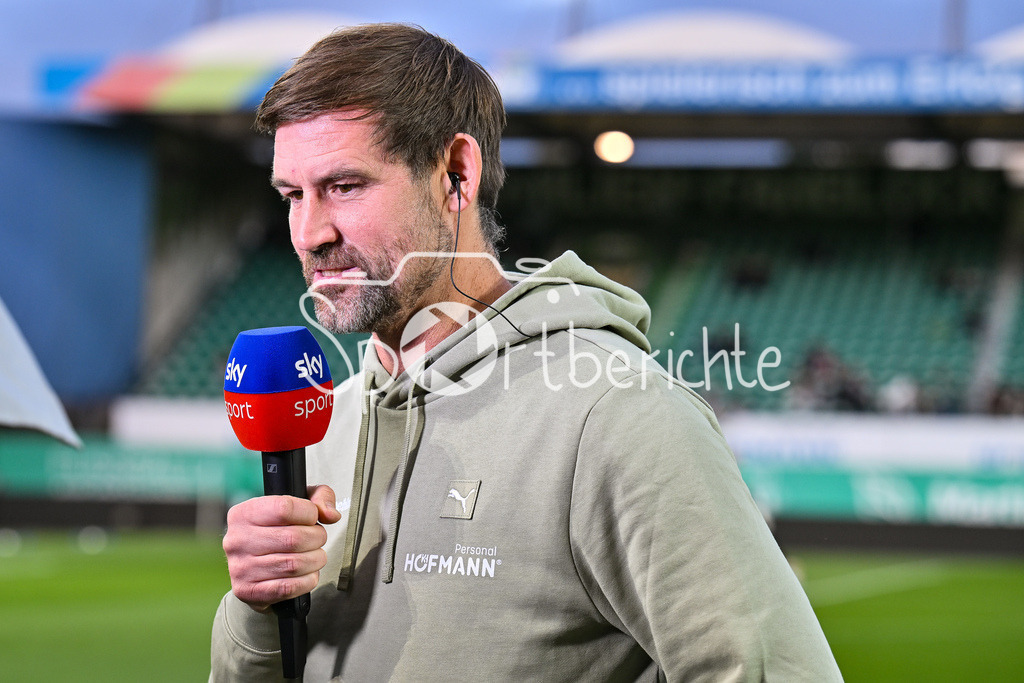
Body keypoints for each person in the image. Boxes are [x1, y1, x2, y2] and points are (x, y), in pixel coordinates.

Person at [210, 23, 842, 682]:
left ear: (456, 173)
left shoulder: (618, 414)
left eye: (344, 186)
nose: (311, 233)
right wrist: (257, 611)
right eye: (292, 195)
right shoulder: (323, 421)